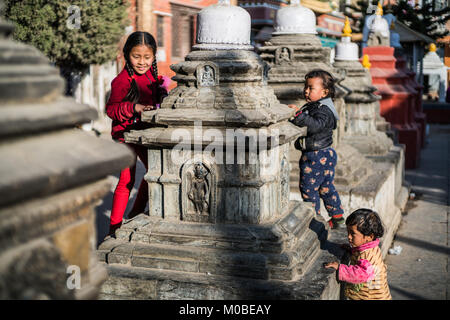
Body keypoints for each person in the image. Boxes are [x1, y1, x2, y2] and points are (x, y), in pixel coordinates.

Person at [105, 31, 168, 237]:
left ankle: (134, 214)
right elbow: (111, 110)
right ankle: (114, 228)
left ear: (153, 57)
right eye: (136, 56)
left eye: (147, 57)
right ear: (127, 55)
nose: (142, 62)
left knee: (154, 173)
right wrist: (134, 108)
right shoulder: (121, 81)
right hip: (124, 135)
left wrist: (163, 89)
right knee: (126, 180)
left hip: (145, 134)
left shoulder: (152, 77)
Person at [288, 69, 344, 229]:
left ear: (324, 92)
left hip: (315, 156)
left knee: (309, 189)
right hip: (325, 153)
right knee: (326, 187)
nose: (306, 91)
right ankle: (337, 218)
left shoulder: (323, 109)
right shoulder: (320, 106)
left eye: (311, 88)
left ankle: (314, 219)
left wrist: (298, 115)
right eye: (306, 87)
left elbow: (315, 126)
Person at [324, 208, 392, 300]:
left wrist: (340, 268)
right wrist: (353, 250)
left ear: (369, 236)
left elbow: (360, 274)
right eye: (348, 232)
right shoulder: (370, 247)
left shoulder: (367, 255)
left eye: (353, 233)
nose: (349, 237)